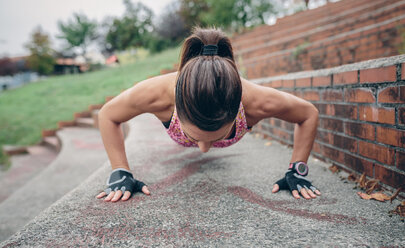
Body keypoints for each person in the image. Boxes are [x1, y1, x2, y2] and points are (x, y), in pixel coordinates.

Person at [96, 27, 321, 203]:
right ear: (175, 108)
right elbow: (108, 115)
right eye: (193, 137)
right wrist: (121, 171)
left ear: (238, 112)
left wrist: (298, 170)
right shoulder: (156, 94)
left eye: (218, 137)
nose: (204, 148)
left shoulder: (257, 101)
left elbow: (308, 114)